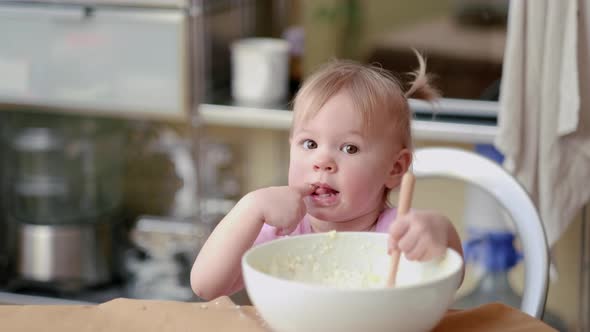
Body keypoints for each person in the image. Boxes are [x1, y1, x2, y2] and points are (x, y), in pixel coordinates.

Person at [191, 52, 464, 300]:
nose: (322, 161)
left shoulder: (395, 234)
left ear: (394, 168)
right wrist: (250, 207)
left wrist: (439, 230)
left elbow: (454, 277)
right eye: (309, 144)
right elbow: (206, 286)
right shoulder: (283, 232)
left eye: (349, 148)